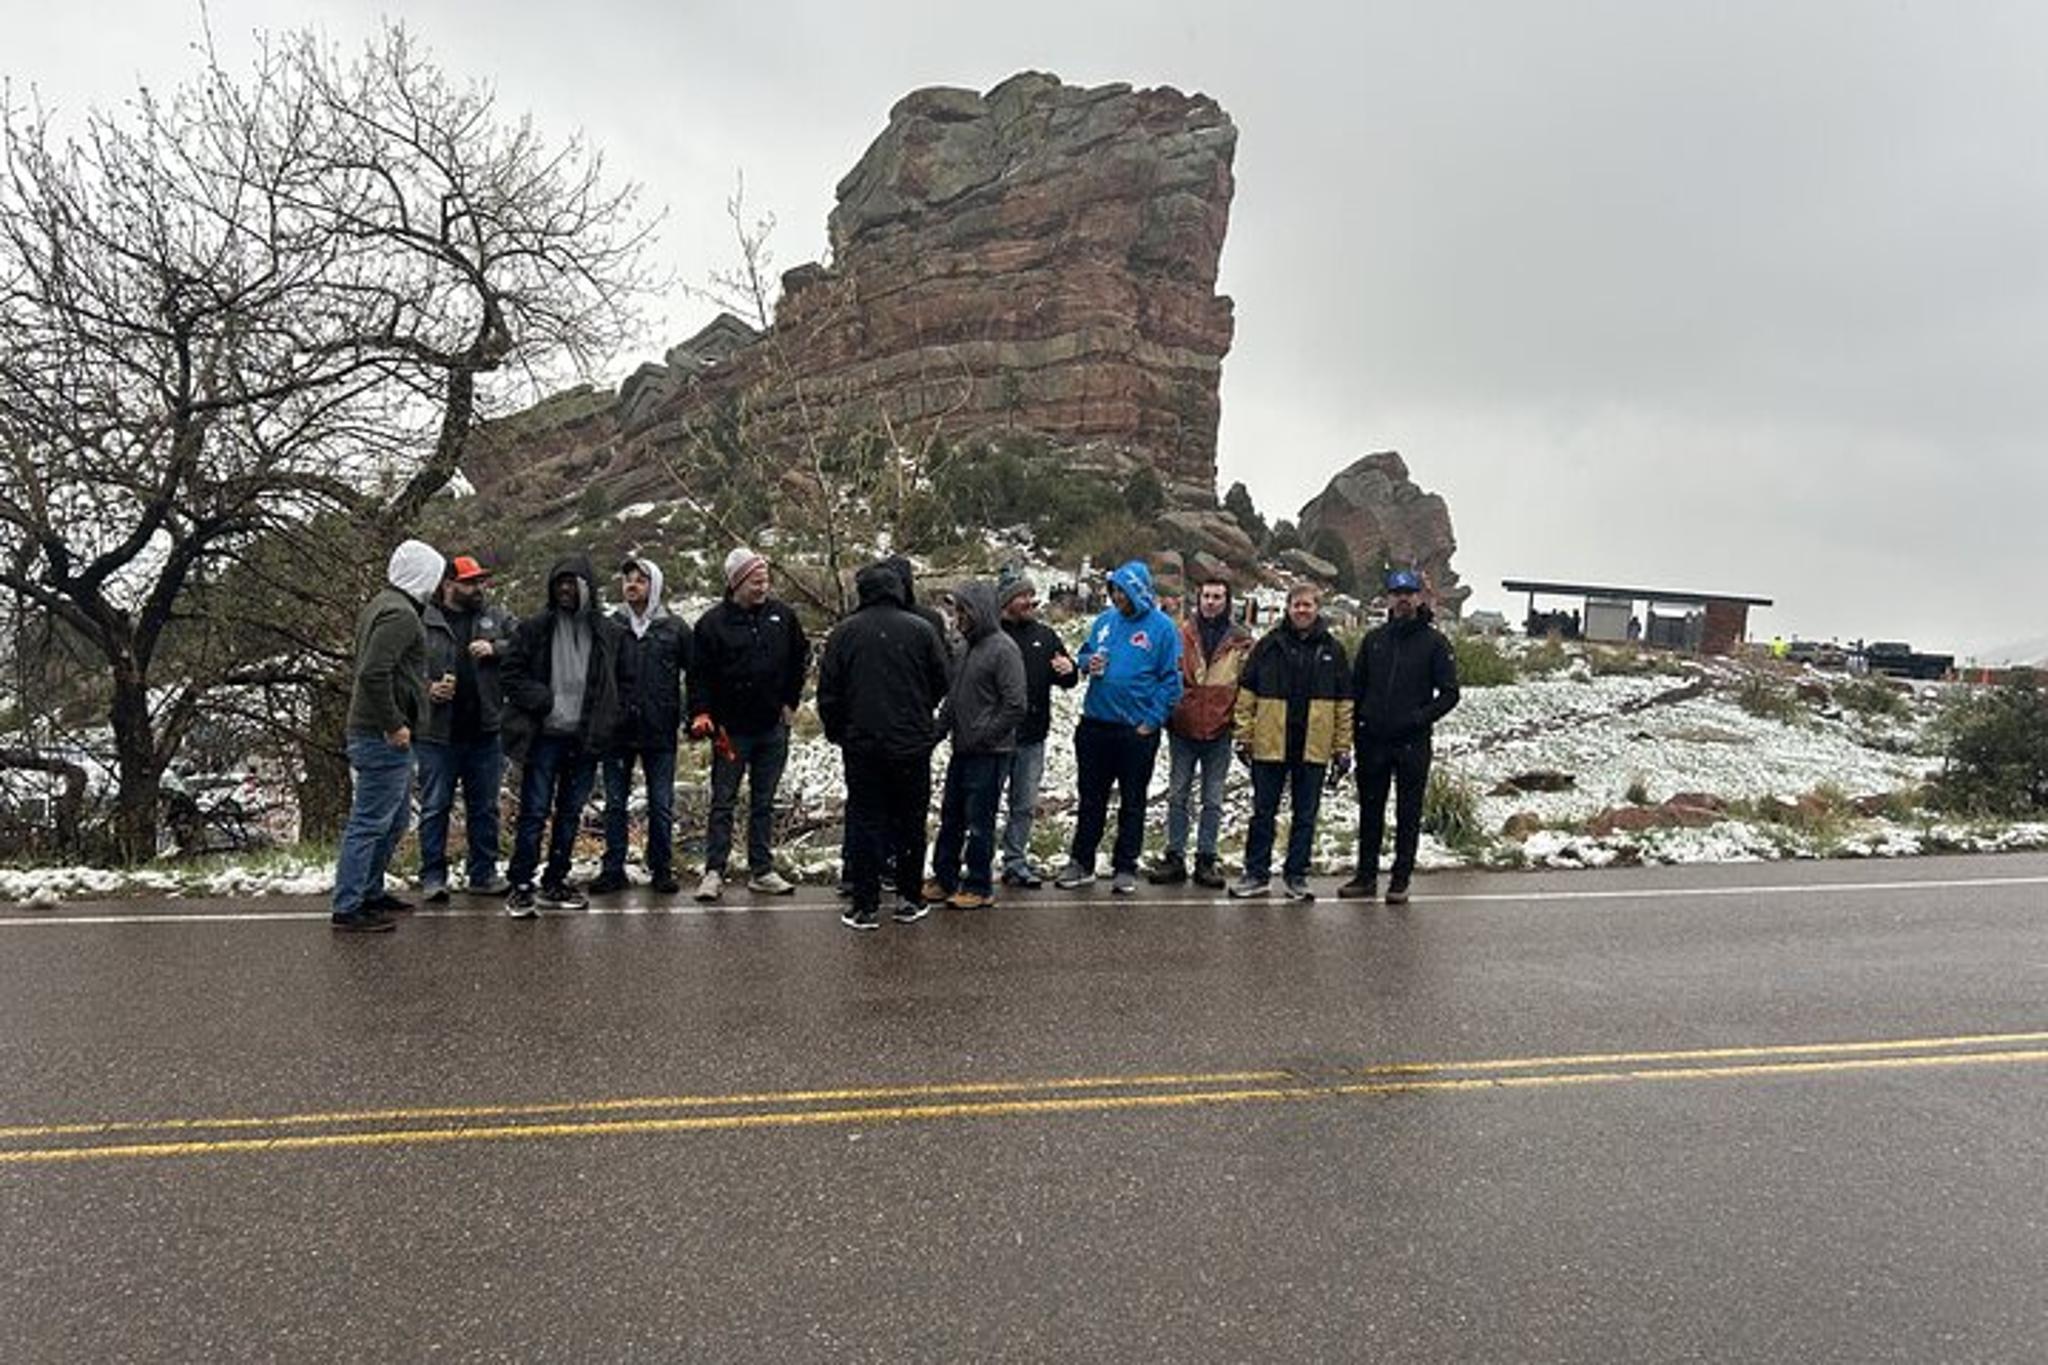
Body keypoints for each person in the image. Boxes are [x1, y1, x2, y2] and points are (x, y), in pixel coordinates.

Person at [817, 561, 951, 930]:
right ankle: (909, 897)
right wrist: (921, 711)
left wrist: (838, 730)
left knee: (865, 820)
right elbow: (943, 679)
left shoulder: (845, 633)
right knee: (910, 820)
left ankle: (865, 903)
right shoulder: (922, 629)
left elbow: (828, 691)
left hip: (862, 745)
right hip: (911, 742)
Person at [500, 554, 632, 917]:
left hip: (585, 738)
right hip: (544, 737)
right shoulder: (535, 628)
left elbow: (623, 680)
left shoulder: (608, 632)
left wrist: (611, 717)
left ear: (587, 588)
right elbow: (510, 674)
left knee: (570, 813)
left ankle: (555, 880)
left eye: (572, 583)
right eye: (560, 582)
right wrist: (539, 698)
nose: (565, 589)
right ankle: (521, 884)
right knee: (534, 812)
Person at [332, 539, 444, 932]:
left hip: (377, 731)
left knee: (393, 821)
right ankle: (349, 905)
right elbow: (373, 672)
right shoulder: (401, 615)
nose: (436, 586)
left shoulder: (383, 604)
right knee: (370, 821)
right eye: (434, 576)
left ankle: (370, 891)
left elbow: (388, 672)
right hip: (381, 736)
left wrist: (418, 693)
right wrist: (394, 723)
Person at [1054, 559, 1183, 895]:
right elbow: (1084, 654)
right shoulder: (1104, 621)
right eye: (1114, 591)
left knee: (1133, 801)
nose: (1117, 598)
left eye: (1123, 592)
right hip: (1095, 724)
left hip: (1135, 731)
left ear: (1138, 591)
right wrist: (1086, 663)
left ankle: (1125, 864)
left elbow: (1172, 682)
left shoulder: (1163, 628)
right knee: (1091, 798)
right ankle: (1081, 862)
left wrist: (1151, 722)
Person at [689, 547, 809, 902]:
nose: (762, 587)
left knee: (764, 802)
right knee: (723, 800)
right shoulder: (711, 624)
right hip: (730, 731)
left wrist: (791, 701)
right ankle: (714, 870)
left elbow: (800, 658)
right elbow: (698, 675)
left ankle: (761, 869)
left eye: (765, 580)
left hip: (773, 726)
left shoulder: (783, 617)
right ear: (737, 583)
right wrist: (701, 711)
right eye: (755, 581)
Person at [1339, 568, 1461, 904]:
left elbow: (1450, 693)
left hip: (1412, 742)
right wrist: (1356, 728)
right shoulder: (1374, 640)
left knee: (1408, 812)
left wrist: (1418, 719)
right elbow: (1355, 687)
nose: (1403, 599)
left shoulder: (1435, 642)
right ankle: (1365, 877)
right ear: (1389, 598)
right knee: (1370, 810)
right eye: (1397, 593)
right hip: (1372, 740)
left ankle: (1400, 879)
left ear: (1418, 597)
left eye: (1409, 593)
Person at [1230, 583, 1353, 900]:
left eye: (1308, 605)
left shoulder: (1333, 650)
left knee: (1305, 816)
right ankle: (1256, 873)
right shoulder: (1268, 646)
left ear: (1317, 609)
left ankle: (1296, 875)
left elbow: (1344, 704)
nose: (1302, 610)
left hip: (1313, 746)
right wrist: (1243, 736)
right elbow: (1246, 695)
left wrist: (1342, 747)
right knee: (1262, 813)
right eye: (1297, 604)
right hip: (1270, 744)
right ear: (1287, 607)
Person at [416, 554, 516, 903]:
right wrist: (427, 689)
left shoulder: (496, 617)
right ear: (448, 585)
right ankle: (432, 877)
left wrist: (496, 648)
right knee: (435, 807)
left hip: (485, 730)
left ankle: (483, 873)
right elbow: (403, 668)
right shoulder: (423, 620)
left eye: (480, 581)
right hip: (436, 734)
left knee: (485, 807)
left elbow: (527, 646)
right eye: (470, 582)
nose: (478, 587)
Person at [923, 580, 1028, 910]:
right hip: (962, 749)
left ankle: (979, 885)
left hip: (990, 753)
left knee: (980, 823)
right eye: (956, 611)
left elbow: (1015, 704)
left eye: (963, 610)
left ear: (978, 610)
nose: (958, 617)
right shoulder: (965, 648)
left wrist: (985, 735)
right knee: (951, 817)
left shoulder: (1003, 649)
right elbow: (953, 701)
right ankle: (945, 877)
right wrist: (936, 735)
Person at [593, 555, 693, 897]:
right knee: (615, 804)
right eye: (627, 579)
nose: (632, 584)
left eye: (641, 579)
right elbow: (596, 676)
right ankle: (613, 868)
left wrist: (695, 715)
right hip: (617, 730)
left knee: (660, 804)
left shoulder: (675, 628)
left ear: (656, 585)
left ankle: (661, 868)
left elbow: (695, 675)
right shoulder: (611, 626)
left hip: (659, 729)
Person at [1149, 577, 1251, 888]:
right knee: (1178, 795)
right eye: (1206, 595)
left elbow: (1247, 685)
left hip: (1219, 729)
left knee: (1213, 799)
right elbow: (1164, 673)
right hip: (1183, 728)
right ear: (1198, 598)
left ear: (1227, 600)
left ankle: (1207, 858)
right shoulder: (1180, 633)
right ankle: (1175, 856)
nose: (1211, 601)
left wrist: (1239, 724)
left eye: (1218, 596)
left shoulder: (1242, 640)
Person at [994, 570, 1077, 888]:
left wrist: (1070, 670)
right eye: (1022, 596)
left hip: (1033, 737)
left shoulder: (1045, 635)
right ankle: (975, 863)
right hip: (995, 738)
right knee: (985, 803)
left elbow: (1068, 680)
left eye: (1031, 595)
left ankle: (1015, 861)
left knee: (1024, 805)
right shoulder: (991, 636)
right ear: (1006, 602)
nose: (1030, 601)